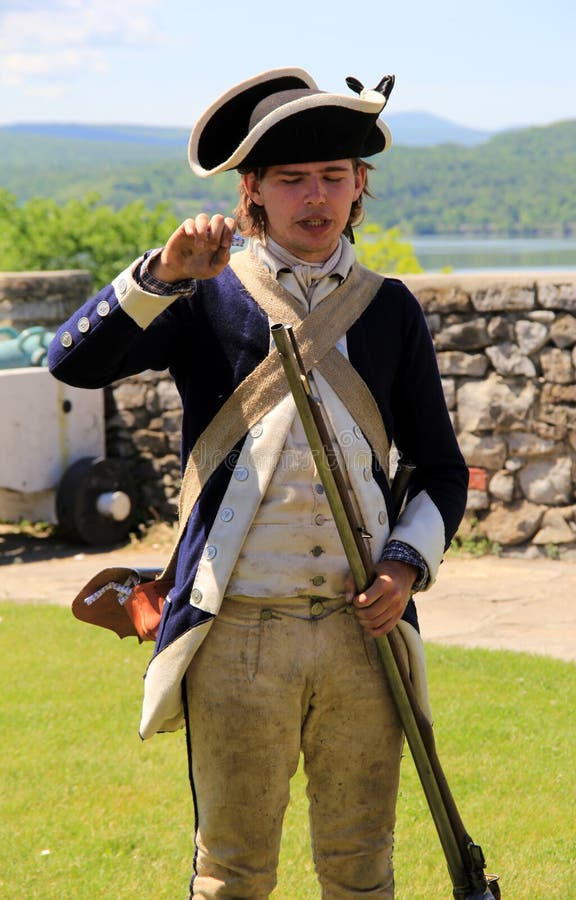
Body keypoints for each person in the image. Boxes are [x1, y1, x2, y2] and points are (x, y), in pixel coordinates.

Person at [49, 67, 468, 898]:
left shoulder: (389, 311)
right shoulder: (202, 296)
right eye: (291, 179)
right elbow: (72, 361)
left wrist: (404, 566)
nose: (315, 197)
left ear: (358, 188)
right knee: (232, 873)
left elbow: (441, 469)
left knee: (362, 869)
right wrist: (161, 275)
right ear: (252, 193)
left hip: (365, 638)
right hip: (237, 630)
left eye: (333, 178)